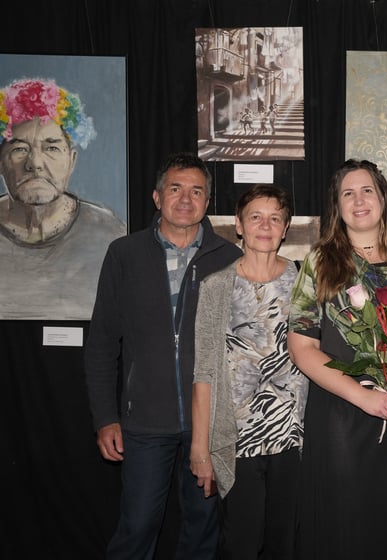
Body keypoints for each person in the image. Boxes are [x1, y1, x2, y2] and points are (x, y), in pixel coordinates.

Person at [85, 152, 242, 559]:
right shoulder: (124, 254)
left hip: (208, 423)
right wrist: (105, 417)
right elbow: (102, 342)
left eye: (196, 191)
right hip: (144, 422)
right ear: (157, 197)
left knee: (203, 530)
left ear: (208, 201)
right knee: (137, 527)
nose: (186, 199)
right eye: (175, 189)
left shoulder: (229, 259)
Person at [287, 159, 387, 559]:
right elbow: (301, 348)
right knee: (346, 523)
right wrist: (363, 396)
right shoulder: (319, 262)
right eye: (347, 193)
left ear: (383, 199)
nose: (359, 200)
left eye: (367, 190)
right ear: (337, 206)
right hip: (343, 411)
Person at [191, 184, 307, 559]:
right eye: (255, 217)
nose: (265, 225)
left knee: (284, 545)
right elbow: (204, 372)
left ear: (285, 228)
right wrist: (200, 448)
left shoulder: (305, 282)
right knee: (240, 544)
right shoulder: (215, 287)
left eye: (275, 218)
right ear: (239, 225)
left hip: (294, 438)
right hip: (237, 439)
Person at [0, 78, 125, 320]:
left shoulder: (111, 235)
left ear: (72, 161)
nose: (35, 163)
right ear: (1, 163)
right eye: (19, 149)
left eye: (52, 148)